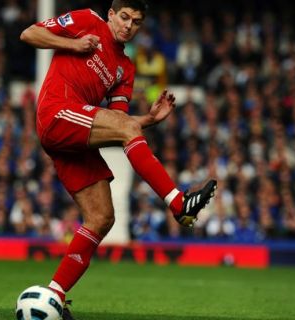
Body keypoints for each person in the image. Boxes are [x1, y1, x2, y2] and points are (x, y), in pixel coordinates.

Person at [20, 1, 217, 318]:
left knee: (102, 218)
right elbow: (29, 34)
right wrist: (74, 43)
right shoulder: (86, 21)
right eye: (124, 17)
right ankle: (178, 204)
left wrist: (149, 120)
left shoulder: (125, 68)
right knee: (125, 133)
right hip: (56, 113)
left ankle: (53, 296)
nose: (128, 25)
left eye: (136, 22)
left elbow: (118, 121)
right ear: (111, 14)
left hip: (78, 132)